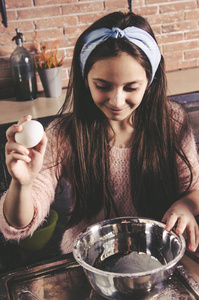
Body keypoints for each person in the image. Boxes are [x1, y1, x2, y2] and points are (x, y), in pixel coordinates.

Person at [0, 11, 199, 254]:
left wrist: (187, 205)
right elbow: (18, 224)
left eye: (131, 87)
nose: (117, 100)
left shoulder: (173, 121)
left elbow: (194, 189)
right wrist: (22, 184)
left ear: (150, 81)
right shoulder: (64, 134)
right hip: (89, 261)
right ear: (85, 79)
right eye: (102, 86)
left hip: (157, 253)